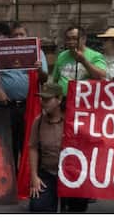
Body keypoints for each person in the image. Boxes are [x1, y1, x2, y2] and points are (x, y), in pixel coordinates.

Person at [0, 22, 48, 167]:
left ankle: (28, 179)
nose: (19, 37)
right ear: (10, 38)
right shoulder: (3, 52)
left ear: (27, 36)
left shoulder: (37, 52)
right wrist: (0, 93)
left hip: (29, 105)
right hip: (7, 106)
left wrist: (39, 69)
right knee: (8, 145)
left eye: (22, 34)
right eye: (15, 35)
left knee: (29, 142)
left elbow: (44, 78)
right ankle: (11, 180)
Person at [28, 82, 86, 212]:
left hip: (71, 173)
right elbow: (33, 148)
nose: (43, 102)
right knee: (39, 207)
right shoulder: (38, 122)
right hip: (47, 173)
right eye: (42, 99)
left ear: (59, 99)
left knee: (76, 209)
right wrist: (34, 177)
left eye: (48, 99)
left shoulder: (73, 121)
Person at [51, 24, 108, 94]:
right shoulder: (61, 55)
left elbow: (101, 77)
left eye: (75, 38)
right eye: (68, 39)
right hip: (63, 99)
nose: (71, 42)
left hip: (82, 100)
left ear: (84, 39)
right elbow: (55, 79)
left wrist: (84, 61)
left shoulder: (95, 56)